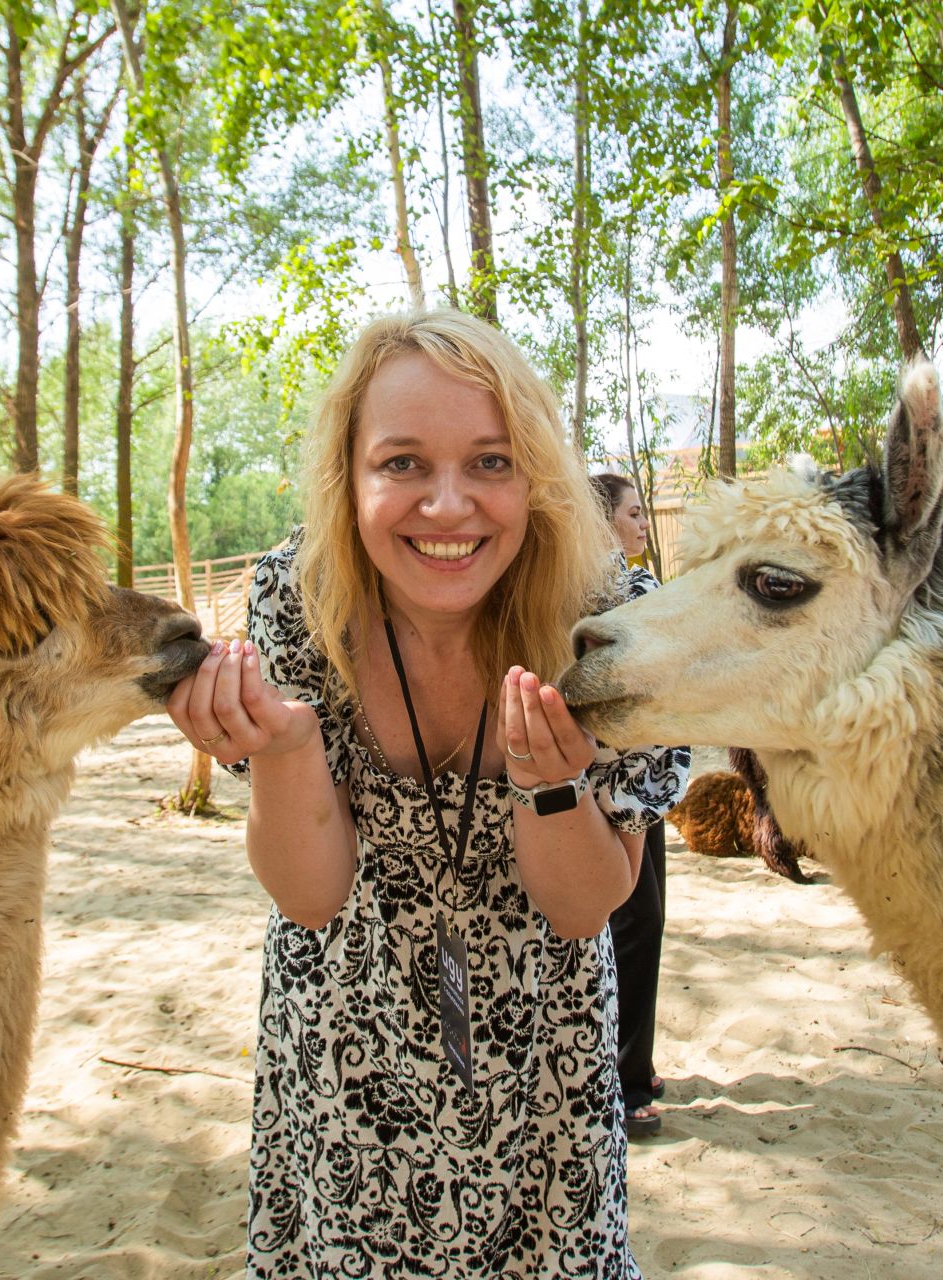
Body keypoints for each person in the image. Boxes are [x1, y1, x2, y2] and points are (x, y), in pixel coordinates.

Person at [169, 310, 688, 1278]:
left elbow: (583, 905)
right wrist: (284, 755)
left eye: (490, 462)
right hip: (347, 1060)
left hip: (545, 1067)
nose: (447, 506)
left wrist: (550, 785)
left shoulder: (604, 617)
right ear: (349, 476)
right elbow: (311, 894)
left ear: (535, 473)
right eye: (402, 463)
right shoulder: (300, 600)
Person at [589, 473, 668, 1140]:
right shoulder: (613, 597)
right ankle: (622, 1081)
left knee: (648, 919)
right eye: (634, 513)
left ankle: (634, 1061)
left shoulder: (632, 590)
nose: (643, 524)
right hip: (616, 791)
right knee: (632, 923)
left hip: (649, 783)